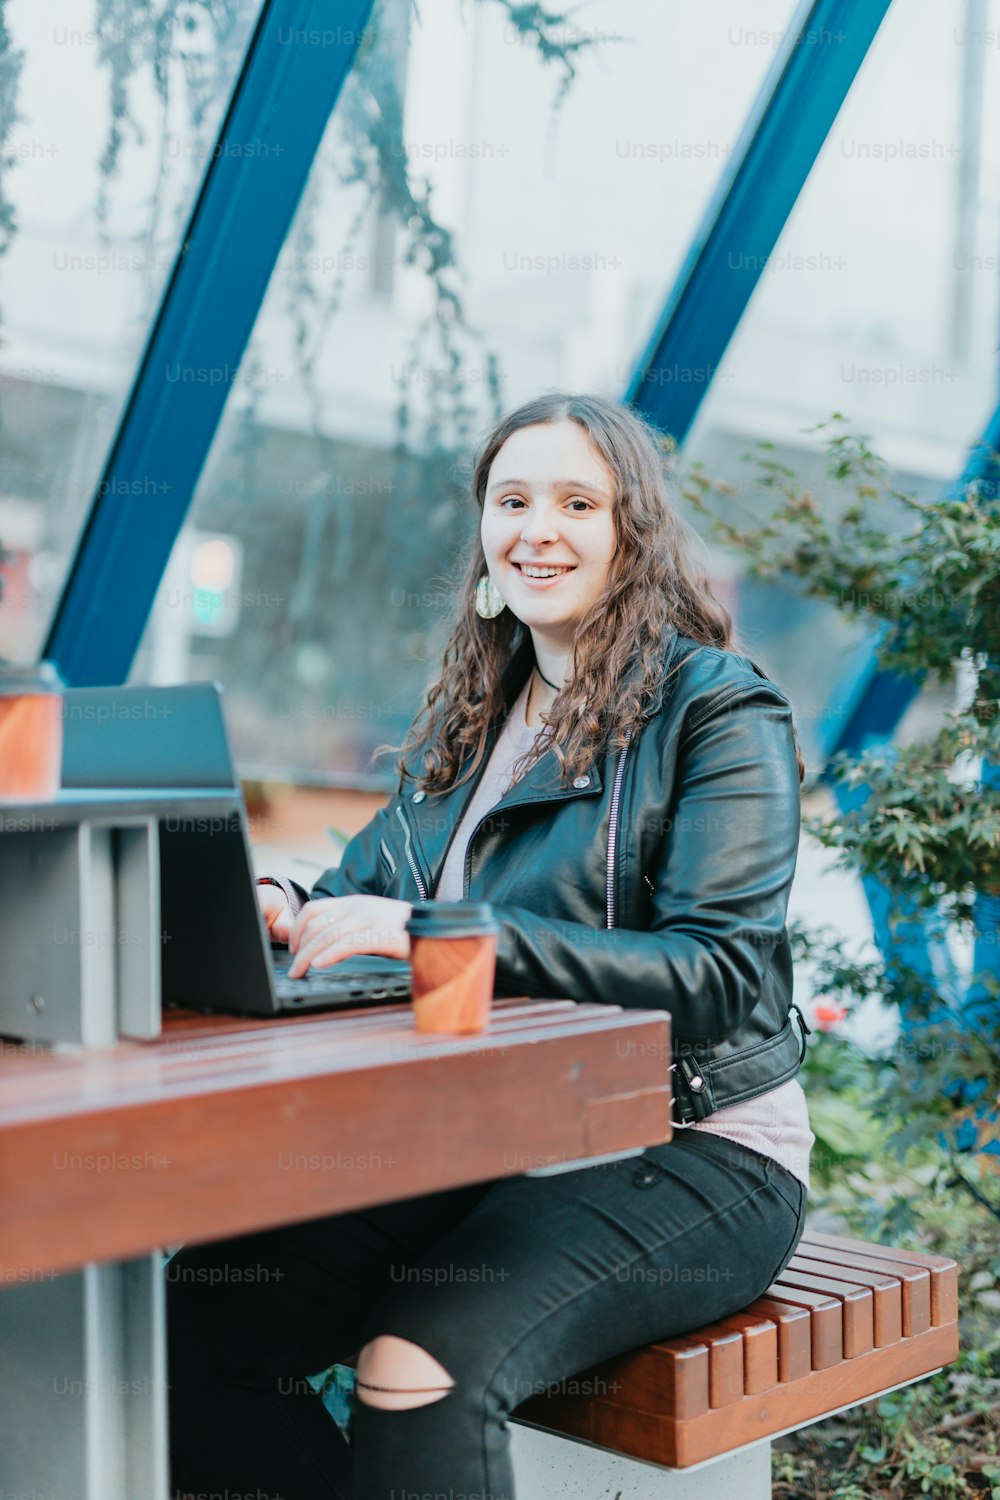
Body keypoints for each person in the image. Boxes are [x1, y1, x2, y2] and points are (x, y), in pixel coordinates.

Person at [168, 392, 814, 1500]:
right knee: (200, 1321)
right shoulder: (473, 720)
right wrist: (275, 900)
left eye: (576, 501)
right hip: (490, 1135)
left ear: (632, 532)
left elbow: (718, 976)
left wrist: (437, 935)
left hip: (695, 1151)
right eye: (511, 501)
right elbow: (356, 898)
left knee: (415, 1367)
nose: (537, 529)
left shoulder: (716, 711)